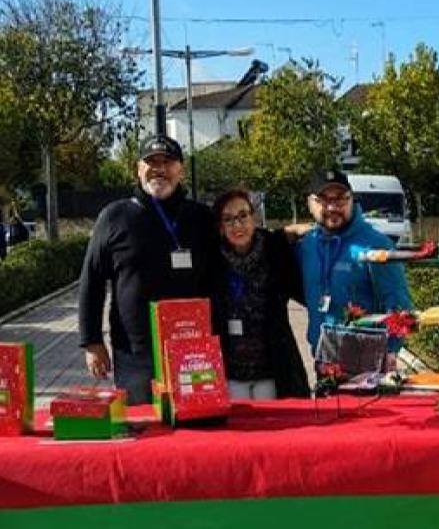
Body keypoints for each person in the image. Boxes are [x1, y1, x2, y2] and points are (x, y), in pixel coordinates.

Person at [77, 134, 218, 404]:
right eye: (151, 162)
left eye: (168, 162)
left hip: (194, 350)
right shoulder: (114, 216)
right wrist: (92, 341)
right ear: (138, 169)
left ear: (181, 169)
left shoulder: (200, 217)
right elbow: (92, 281)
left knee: (196, 433)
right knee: (145, 434)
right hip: (135, 353)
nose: (160, 169)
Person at [295, 168, 413, 369]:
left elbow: (399, 303)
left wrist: (392, 349)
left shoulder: (376, 245)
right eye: (323, 200)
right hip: (323, 359)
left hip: (366, 361)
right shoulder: (307, 245)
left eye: (341, 199)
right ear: (310, 204)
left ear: (352, 200)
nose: (332, 207)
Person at [209, 188, 310, 400]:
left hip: (272, 369)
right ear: (220, 227)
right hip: (230, 371)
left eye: (243, 216)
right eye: (228, 219)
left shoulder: (274, 249)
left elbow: (303, 289)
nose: (238, 225)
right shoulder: (212, 260)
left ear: (253, 218)